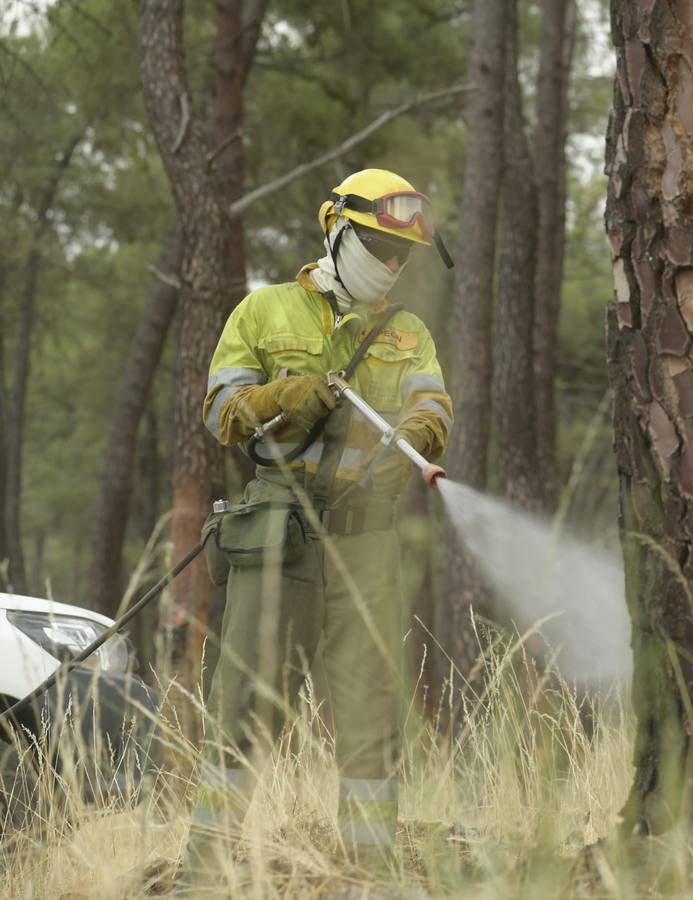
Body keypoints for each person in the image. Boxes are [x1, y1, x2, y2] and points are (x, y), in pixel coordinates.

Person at [183, 168, 454, 879]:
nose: (389, 265)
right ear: (336, 229)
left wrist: (422, 431)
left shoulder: (407, 331)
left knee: (370, 721)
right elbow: (220, 410)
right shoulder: (265, 312)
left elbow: (435, 404)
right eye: (376, 246)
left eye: (402, 255)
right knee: (243, 709)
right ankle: (204, 877)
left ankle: (373, 879)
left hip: (368, 539)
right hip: (281, 532)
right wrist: (284, 396)